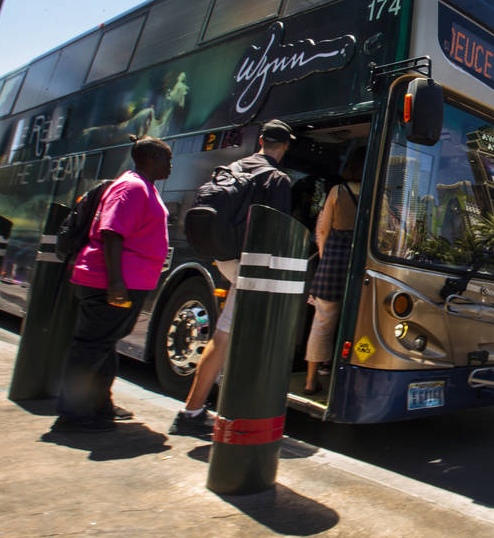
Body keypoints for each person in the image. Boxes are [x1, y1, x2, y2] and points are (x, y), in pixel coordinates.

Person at [169, 119, 294, 436]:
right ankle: (200, 412)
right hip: (253, 266)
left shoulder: (234, 167)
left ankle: (196, 410)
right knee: (233, 337)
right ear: (286, 146)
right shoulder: (276, 178)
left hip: (225, 258)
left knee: (227, 334)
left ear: (261, 140)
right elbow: (276, 230)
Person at [52, 137, 172, 433]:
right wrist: (116, 281)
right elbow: (112, 232)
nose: (171, 166)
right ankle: (74, 413)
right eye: (168, 159)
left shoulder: (142, 186)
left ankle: (99, 406)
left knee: (103, 345)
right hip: (112, 281)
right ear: (152, 158)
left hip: (128, 281)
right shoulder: (132, 187)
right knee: (91, 347)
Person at [303, 146, 366, 395]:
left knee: (322, 321)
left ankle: (310, 380)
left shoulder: (337, 192)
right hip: (361, 264)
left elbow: (322, 230)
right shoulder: (375, 194)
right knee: (353, 320)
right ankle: (339, 372)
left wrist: (325, 257)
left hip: (333, 262)